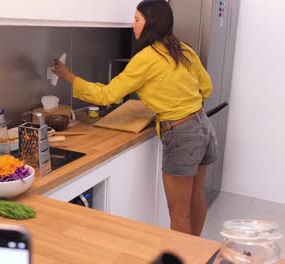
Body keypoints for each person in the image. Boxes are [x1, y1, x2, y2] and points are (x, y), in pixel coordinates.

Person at [52, 0, 218, 236]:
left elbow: (107, 94)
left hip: (182, 135)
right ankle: (198, 255)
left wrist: (69, 76)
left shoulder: (147, 57)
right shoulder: (183, 49)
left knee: (179, 213)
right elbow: (207, 88)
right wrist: (179, 100)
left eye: (137, 19)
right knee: (195, 198)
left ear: (150, 23)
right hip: (204, 127)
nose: (133, 25)